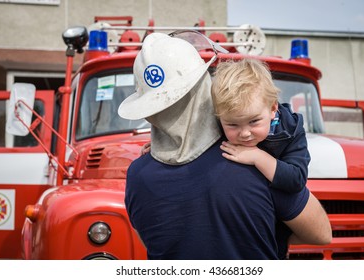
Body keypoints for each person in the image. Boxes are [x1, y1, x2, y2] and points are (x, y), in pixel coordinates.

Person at [118, 31, 331, 260]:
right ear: (203, 84)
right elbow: (321, 234)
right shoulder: (252, 158)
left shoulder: (137, 176)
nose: (245, 131)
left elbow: (148, 239)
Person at [211, 59, 309, 194]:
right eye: (233, 124)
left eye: (254, 121)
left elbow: (296, 179)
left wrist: (258, 157)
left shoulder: (291, 131)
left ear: (273, 108)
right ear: (219, 118)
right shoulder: (212, 131)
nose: (245, 133)